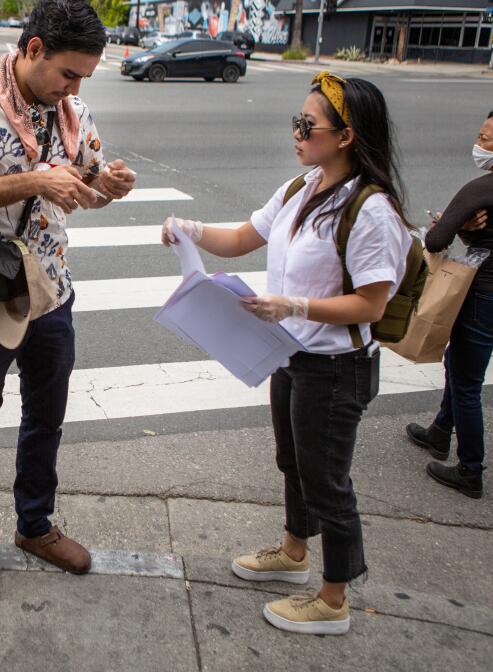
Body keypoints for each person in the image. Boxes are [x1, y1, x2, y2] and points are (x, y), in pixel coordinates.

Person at [162, 72, 411, 635]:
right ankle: (295, 554)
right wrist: (188, 228)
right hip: (293, 356)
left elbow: (371, 304)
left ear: (346, 136)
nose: (297, 133)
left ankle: (333, 599)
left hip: (336, 368)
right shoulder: (303, 188)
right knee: (293, 464)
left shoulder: (371, 211)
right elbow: (242, 237)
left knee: (329, 482)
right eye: (296, 122)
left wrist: (292, 305)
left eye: (308, 125)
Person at [0, 0, 136, 594]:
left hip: (52, 290)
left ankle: (35, 525)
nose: (73, 90)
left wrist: (110, 183)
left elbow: (85, 183)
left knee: (46, 419)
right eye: (68, 74)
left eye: (84, 79)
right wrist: (34, 179)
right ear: (33, 49)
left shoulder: (70, 109)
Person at [406, 108, 493, 498]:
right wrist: (470, 230)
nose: (478, 143)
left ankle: (470, 470)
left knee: (467, 384)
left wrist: (451, 223)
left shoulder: (484, 188)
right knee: (460, 364)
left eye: (486, 138)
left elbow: (436, 242)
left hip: (486, 300)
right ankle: (439, 430)